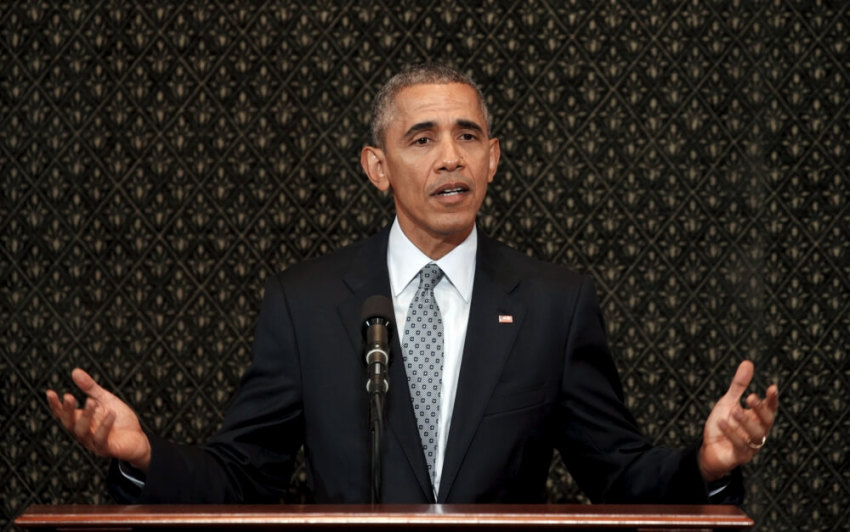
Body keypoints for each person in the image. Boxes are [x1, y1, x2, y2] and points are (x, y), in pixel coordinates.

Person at [46, 64, 779, 504]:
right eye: (422, 138)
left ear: (494, 159)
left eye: (467, 137)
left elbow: (618, 474)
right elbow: (242, 476)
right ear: (376, 166)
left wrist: (705, 464)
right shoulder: (305, 304)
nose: (450, 158)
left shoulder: (557, 304)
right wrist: (142, 459)